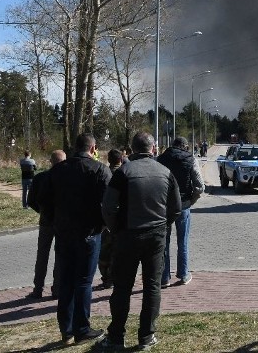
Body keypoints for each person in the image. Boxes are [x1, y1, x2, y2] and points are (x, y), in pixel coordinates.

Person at [101, 131, 181, 351]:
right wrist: (163, 225)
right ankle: (146, 336)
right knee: (152, 286)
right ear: (153, 148)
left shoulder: (123, 172)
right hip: (156, 236)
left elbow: (108, 207)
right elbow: (176, 208)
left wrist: (116, 228)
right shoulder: (165, 172)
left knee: (122, 287)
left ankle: (116, 336)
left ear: (132, 149)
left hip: (128, 235)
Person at [36, 133, 110, 345]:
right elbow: (109, 202)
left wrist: (54, 222)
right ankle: (82, 329)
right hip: (89, 233)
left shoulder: (57, 171)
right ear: (93, 148)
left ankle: (66, 331)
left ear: (74, 148)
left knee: (66, 280)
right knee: (84, 281)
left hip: (65, 233)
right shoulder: (99, 170)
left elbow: (43, 201)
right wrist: (102, 226)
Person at [156, 137, 203, 288]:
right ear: (186, 147)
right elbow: (200, 186)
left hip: (164, 206)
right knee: (183, 241)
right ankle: (183, 274)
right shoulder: (191, 160)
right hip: (183, 205)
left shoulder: (161, 159)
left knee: (165, 242)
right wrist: (191, 200)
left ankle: (164, 277)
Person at [27, 149, 67, 300]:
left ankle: (38, 289)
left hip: (45, 221)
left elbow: (31, 201)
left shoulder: (40, 178)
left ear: (51, 162)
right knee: (60, 255)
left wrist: (42, 211)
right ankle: (57, 288)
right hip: (62, 222)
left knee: (42, 255)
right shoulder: (67, 180)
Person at [97, 149, 125, 289]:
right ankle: (115, 276)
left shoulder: (103, 173)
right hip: (122, 217)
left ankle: (106, 277)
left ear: (109, 160)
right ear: (121, 159)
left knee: (105, 250)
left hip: (106, 217)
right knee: (118, 250)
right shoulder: (126, 173)